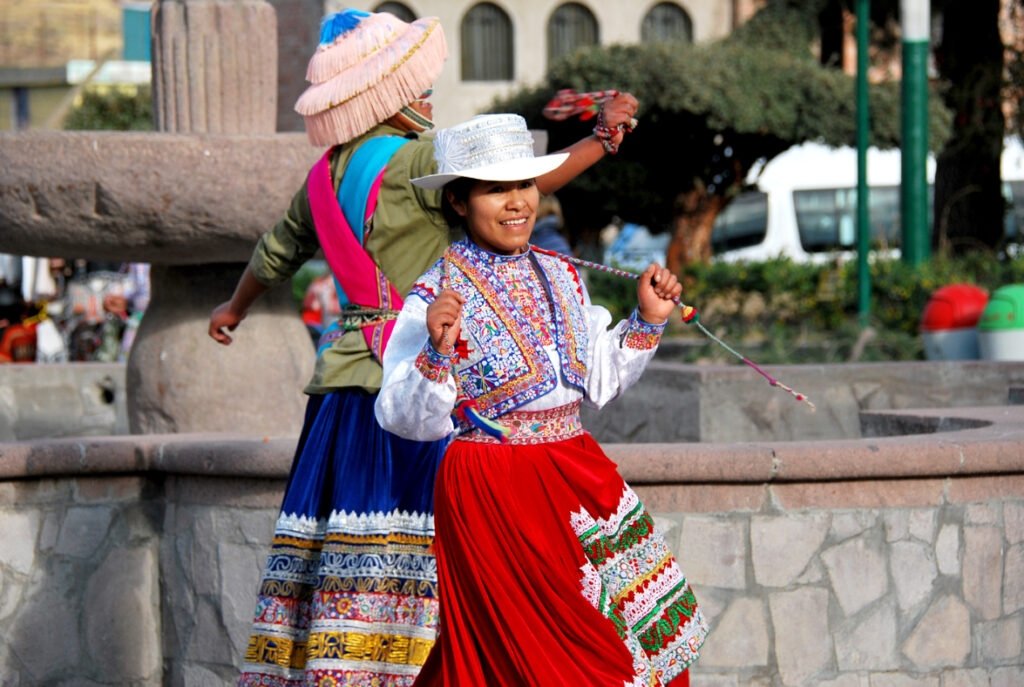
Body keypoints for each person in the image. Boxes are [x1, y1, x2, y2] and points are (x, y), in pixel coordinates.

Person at [206, 8, 641, 686]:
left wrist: (233, 309)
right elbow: (517, 179)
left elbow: (275, 255)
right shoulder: (416, 159)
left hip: (340, 390)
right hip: (422, 378)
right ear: (389, 96)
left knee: (343, 561)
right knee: (435, 564)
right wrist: (601, 141)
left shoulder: (320, 177)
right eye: (421, 88)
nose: (430, 100)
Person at [374, 113, 708, 686]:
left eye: (524, 185)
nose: (516, 203)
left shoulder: (561, 274)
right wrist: (436, 351)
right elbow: (402, 416)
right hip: (495, 486)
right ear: (458, 202)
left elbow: (595, 381)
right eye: (495, 189)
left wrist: (646, 320)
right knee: (544, 659)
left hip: (578, 472)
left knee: (635, 638)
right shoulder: (436, 293)